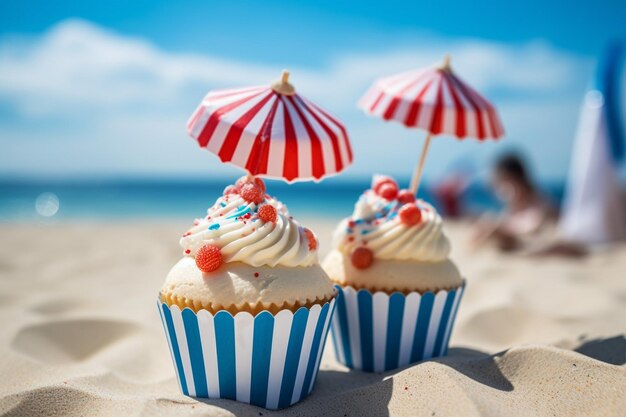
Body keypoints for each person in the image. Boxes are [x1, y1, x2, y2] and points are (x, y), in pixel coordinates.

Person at [471, 153, 559, 252]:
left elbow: (533, 226)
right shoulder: (514, 208)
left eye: (505, 182)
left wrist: (500, 228)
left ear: (519, 179)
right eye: (497, 185)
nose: (502, 190)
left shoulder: (541, 203)